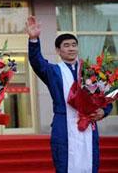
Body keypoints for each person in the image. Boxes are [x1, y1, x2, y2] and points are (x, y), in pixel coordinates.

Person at [26, 16, 112, 173]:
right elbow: (37, 62)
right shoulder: (54, 71)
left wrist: (103, 111)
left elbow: (107, 98)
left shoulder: (92, 72)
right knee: (64, 163)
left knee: (90, 162)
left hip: (88, 125)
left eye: (74, 45)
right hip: (63, 124)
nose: (71, 48)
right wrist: (33, 40)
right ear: (58, 51)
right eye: (66, 45)